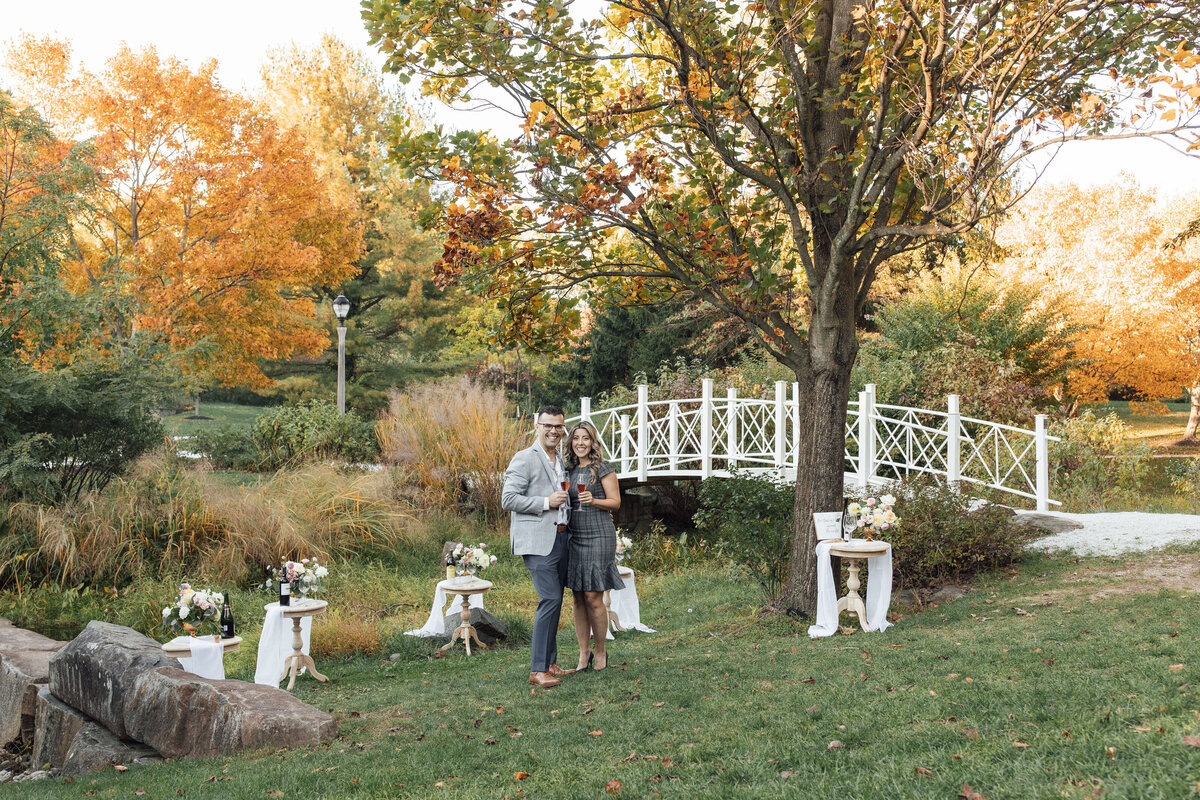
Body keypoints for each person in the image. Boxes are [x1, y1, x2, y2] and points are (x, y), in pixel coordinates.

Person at [501, 405, 576, 688]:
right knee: (550, 599)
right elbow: (508, 499)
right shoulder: (523, 458)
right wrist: (546, 503)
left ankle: (551, 663)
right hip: (536, 542)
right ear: (537, 426)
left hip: (561, 538)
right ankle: (537, 669)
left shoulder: (561, 460)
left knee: (556, 600)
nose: (553, 431)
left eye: (558, 426)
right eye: (548, 426)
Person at [564, 420, 624, 672]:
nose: (580, 443)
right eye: (576, 438)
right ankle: (583, 652)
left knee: (593, 596)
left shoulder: (603, 468)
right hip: (573, 535)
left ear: (593, 442)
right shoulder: (566, 470)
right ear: (571, 443)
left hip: (599, 535)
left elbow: (616, 502)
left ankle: (601, 651)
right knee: (578, 596)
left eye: (585, 438)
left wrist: (594, 500)